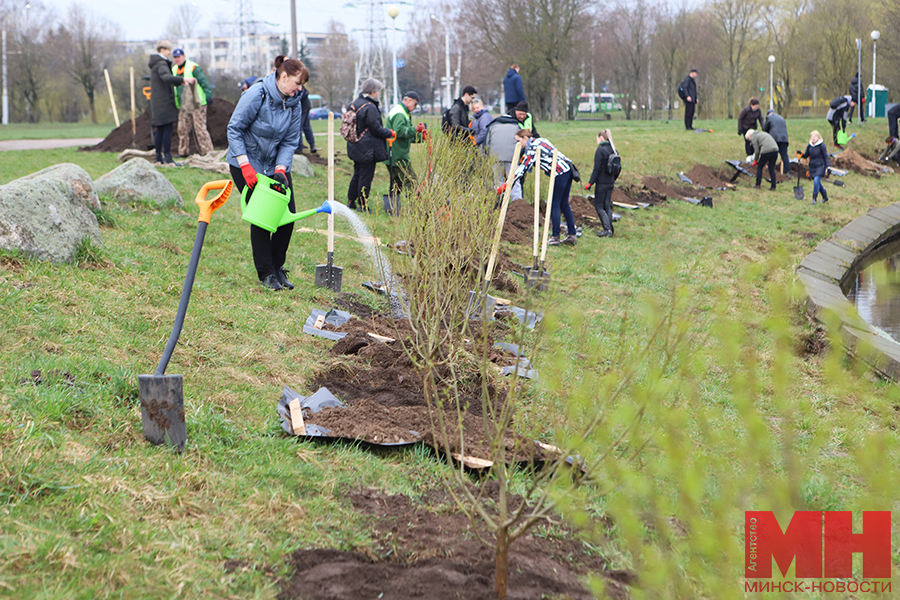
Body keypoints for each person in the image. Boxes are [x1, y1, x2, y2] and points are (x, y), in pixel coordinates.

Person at [226, 55, 306, 291]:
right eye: (297, 83)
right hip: (246, 162)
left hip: (275, 165)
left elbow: (290, 141)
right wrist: (245, 165)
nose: (299, 89)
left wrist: (281, 169)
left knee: (287, 216)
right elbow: (234, 129)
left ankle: (278, 267)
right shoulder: (256, 94)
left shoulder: (295, 101)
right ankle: (266, 273)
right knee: (263, 217)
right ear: (283, 77)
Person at [501, 129, 577, 246]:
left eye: (519, 141)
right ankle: (572, 234)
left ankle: (555, 236)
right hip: (567, 170)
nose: (519, 145)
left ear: (525, 138)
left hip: (559, 172)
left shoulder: (533, 148)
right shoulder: (540, 140)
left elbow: (524, 167)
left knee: (554, 204)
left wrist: (509, 183)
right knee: (563, 203)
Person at [346, 78, 395, 212]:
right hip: (367, 148)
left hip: (354, 144)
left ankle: (351, 201)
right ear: (373, 91)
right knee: (365, 177)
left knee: (357, 174)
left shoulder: (354, 103)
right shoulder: (370, 107)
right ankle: (363, 205)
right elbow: (376, 129)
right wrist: (389, 132)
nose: (378, 94)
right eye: (378, 91)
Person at [149, 40, 195, 165]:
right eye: (168, 50)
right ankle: (167, 157)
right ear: (162, 50)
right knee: (167, 128)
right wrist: (183, 79)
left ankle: (158, 157)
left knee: (160, 129)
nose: (170, 53)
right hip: (164, 102)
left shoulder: (155, 64)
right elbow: (167, 78)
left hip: (157, 102)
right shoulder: (161, 64)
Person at [171, 48, 214, 157]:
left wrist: (208, 95)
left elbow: (203, 81)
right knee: (182, 129)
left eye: (178, 57)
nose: (177, 59)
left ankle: (208, 152)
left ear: (184, 56)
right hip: (184, 104)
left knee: (200, 128)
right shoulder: (174, 70)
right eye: (175, 57)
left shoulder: (193, 67)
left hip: (197, 103)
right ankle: (183, 152)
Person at [384, 91, 425, 196]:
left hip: (393, 153)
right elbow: (401, 132)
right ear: (409, 100)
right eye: (415, 104)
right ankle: (416, 207)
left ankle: (391, 206)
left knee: (396, 184)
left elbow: (407, 136)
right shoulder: (400, 113)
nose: (415, 107)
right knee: (411, 181)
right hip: (398, 155)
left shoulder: (401, 111)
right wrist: (415, 129)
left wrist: (421, 137)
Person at [584, 129, 616, 238]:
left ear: (601, 138)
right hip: (610, 182)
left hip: (601, 183)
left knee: (598, 206)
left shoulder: (600, 151)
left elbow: (596, 169)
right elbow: (618, 168)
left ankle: (607, 230)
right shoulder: (613, 150)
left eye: (597, 138)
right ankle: (610, 229)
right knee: (607, 205)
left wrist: (590, 183)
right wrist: (613, 179)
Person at [800, 130, 830, 205]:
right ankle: (825, 197)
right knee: (818, 183)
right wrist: (801, 154)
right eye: (812, 136)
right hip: (812, 166)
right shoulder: (810, 145)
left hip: (820, 166)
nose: (813, 138)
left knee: (816, 181)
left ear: (818, 137)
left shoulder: (822, 146)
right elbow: (806, 155)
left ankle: (814, 199)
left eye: (815, 136)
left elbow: (825, 156)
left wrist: (828, 166)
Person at [763, 109, 790, 175]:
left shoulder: (769, 117)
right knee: (784, 155)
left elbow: (765, 129)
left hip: (774, 139)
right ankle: (787, 171)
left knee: (771, 153)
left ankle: (770, 169)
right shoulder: (781, 118)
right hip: (784, 139)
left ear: (769, 114)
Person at [297, 79, 318, 154]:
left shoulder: (295, 84)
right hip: (304, 106)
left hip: (303, 107)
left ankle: (299, 148)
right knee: (306, 127)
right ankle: (312, 145)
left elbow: (302, 94)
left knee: (299, 127)